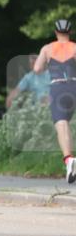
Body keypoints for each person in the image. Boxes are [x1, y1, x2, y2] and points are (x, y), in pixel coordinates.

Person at [33, 18, 76, 184]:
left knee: (61, 123)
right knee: (66, 124)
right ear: (70, 32)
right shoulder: (74, 47)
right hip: (74, 85)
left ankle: (68, 159)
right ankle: (70, 161)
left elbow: (37, 69)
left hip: (57, 88)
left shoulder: (47, 48)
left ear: (56, 32)